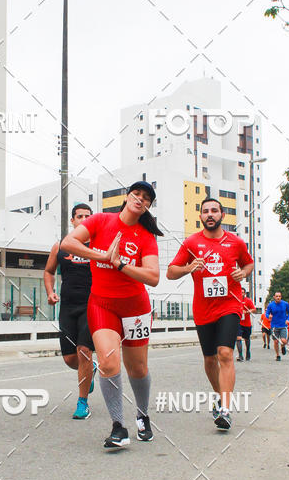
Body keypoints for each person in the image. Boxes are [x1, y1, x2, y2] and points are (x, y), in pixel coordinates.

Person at [60, 181, 161, 449]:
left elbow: (153, 277)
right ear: (127, 196)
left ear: (148, 206)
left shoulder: (145, 236)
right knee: (107, 362)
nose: (140, 199)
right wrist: (101, 255)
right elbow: (68, 243)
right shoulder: (100, 220)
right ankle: (118, 426)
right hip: (102, 305)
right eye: (136, 194)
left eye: (146, 198)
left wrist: (120, 265)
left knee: (137, 368)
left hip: (135, 308)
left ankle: (142, 414)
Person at [167, 197, 254, 431]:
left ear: (222, 215)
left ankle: (225, 409)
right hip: (203, 309)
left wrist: (242, 274)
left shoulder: (235, 242)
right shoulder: (191, 243)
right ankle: (219, 394)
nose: (210, 214)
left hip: (230, 305)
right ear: (201, 217)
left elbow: (249, 264)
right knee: (209, 359)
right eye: (205, 211)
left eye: (214, 210)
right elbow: (170, 273)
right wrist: (189, 267)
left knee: (225, 352)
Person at [44, 203, 96, 420]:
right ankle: (90, 369)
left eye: (87, 216)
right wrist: (50, 291)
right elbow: (48, 271)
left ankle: (82, 402)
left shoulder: (98, 246)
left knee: (84, 350)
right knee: (69, 359)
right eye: (79, 216)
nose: (83, 219)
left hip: (91, 306)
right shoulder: (61, 246)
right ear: (72, 220)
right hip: (67, 307)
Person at [266, 291, 289, 361]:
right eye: (277, 296)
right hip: (274, 326)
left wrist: (288, 319)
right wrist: (269, 316)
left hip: (283, 325)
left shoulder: (285, 304)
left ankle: (283, 346)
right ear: (274, 297)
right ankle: (277, 355)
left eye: (279, 296)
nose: (278, 297)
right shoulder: (270, 305)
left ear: (281, 297)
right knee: (276, 341)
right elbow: (266, 313)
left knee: (283, 340)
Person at [236, 288, 256, 361]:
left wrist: (247, 311)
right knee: (238, 338)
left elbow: (254, 309)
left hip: (247, 323)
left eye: (243, 292)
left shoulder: (248, 300)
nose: (241, 294)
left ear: (245, 293)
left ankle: (248, 351)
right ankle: (240, 355)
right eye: (240, 292)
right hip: (238, 323)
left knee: (247, 339)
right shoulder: (236, 300)